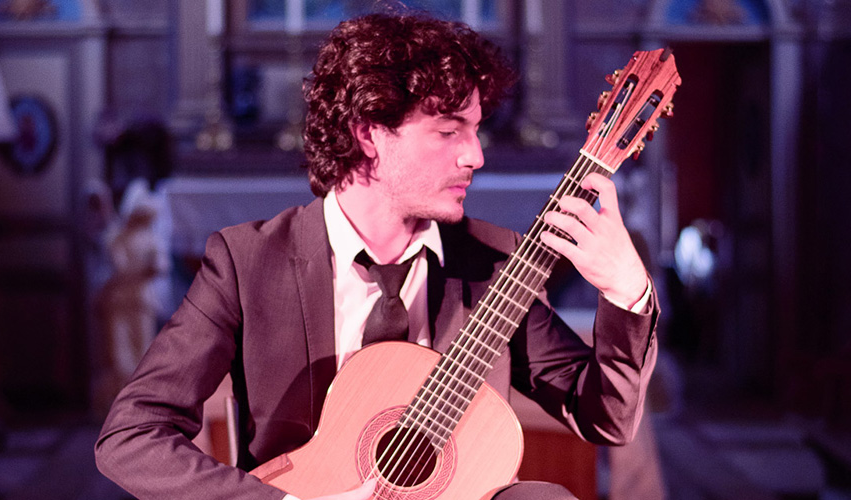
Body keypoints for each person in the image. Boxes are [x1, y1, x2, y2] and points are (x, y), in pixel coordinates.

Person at [95, 11, 658, 500]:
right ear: (370, 134)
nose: (476, 157)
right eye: (448, 131)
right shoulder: (247, 263)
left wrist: (626, 292)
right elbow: (131, 436)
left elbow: (603, 417)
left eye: (477, 130)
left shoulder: (493, 263)